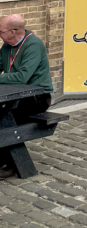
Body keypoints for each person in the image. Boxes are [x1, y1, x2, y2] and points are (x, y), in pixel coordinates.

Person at [0, 14, 54, 178]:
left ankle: (11, 165)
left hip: (36, 97)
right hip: (15, 95)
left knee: (7, 120)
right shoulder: (7, 46)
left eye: (1, 31)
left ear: (13, 31)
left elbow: (22, 77)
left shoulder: (33, 45)